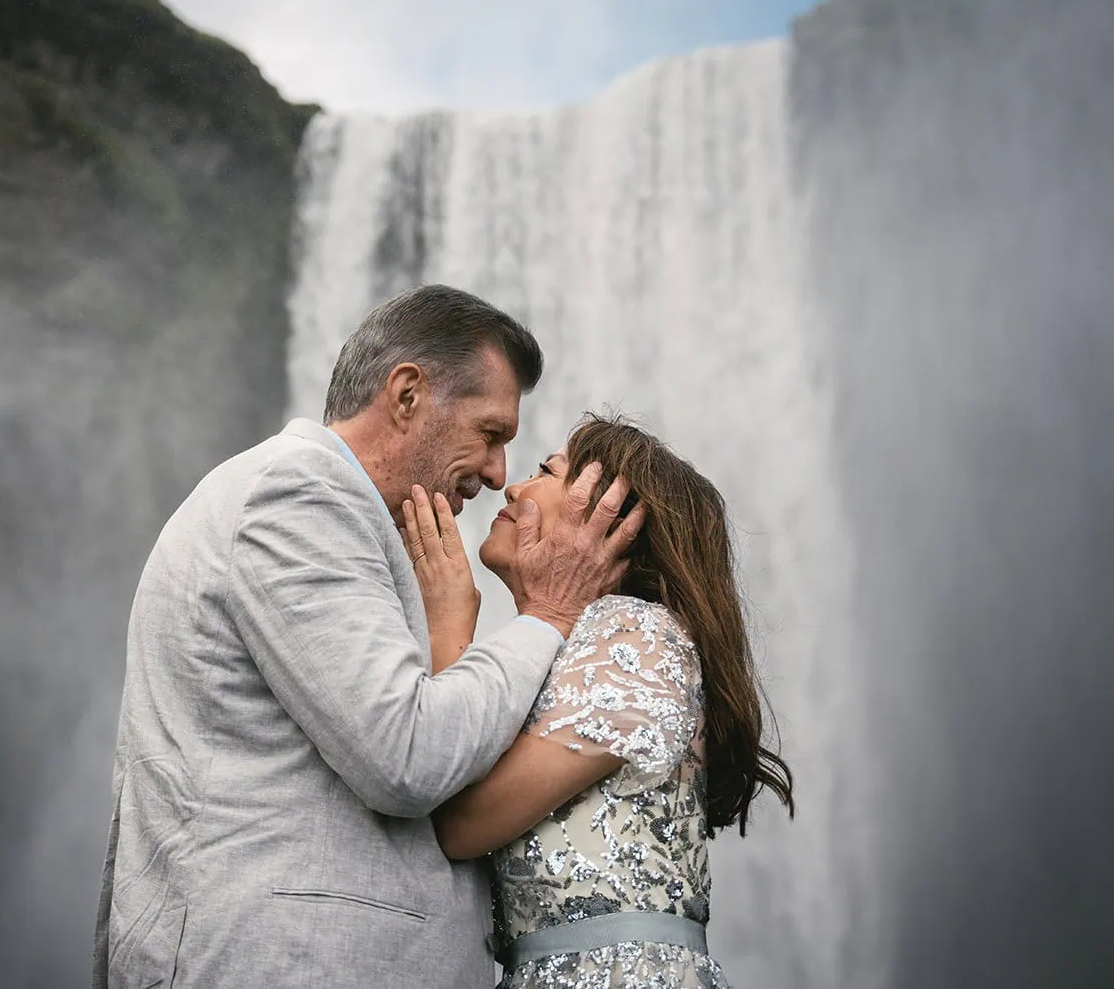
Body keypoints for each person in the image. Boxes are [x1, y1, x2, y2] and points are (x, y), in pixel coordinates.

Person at [91, 285, 645, 989]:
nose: (501, 472)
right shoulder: (297, 495)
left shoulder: (343, 517)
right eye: (491, 433)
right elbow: (406, 755)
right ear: (408, 394)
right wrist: (552, 616)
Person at [405, 413, 796, 989]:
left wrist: (447, 626)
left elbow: (459, 824)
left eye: (546, 470)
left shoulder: (637, 634)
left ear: (610, 519)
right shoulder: (569, 650)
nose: (512, 486)